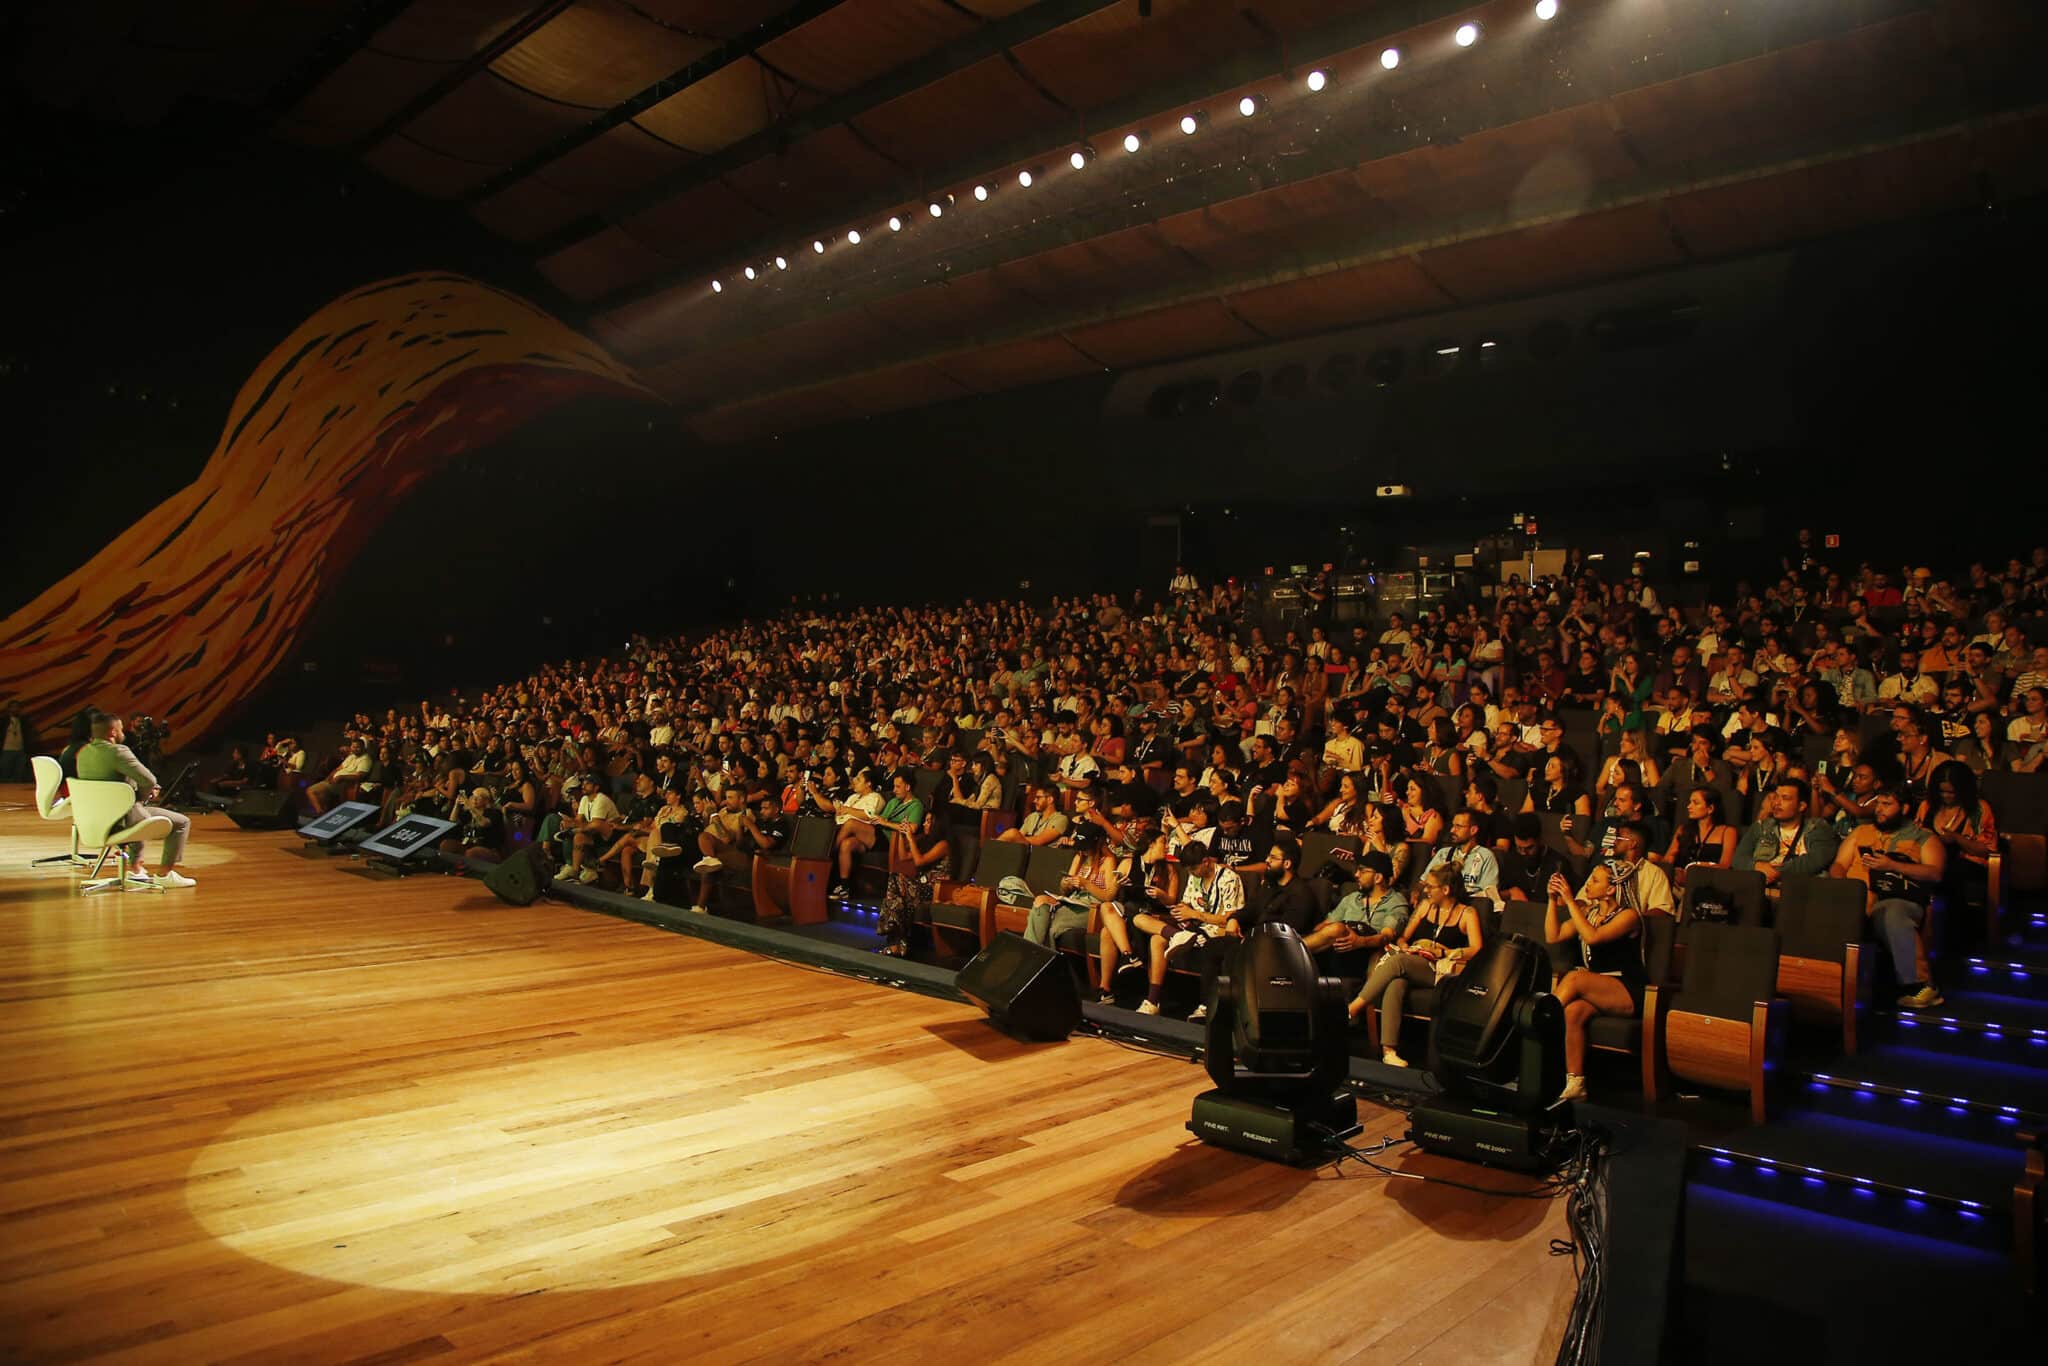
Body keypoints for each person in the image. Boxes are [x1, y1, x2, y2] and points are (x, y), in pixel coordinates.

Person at [1346, 865, 1483, 1068]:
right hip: (1416, 961)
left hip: (1443, 970)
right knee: (1397, 982)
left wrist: (1443, 951)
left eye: (1430, 886)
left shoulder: (1467, 914)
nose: (1425, 890)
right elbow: (1403, 938)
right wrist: (1408, 947)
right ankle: (1389, 1051)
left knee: (1399, 963)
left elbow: (1478, 949)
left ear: (1445, 890)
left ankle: (1352, 1008)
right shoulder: (1426, 906)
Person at [1830, 787, 1947, 1008]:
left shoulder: (1922, 837)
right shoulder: (1861, 832)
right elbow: (1839, 864)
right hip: (1853, 898)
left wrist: (1892, 865)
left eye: (1887, 804)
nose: (1879, 810)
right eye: (1878, 804)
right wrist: (1842, 887)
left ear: (1904, 808)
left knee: (1892, 912)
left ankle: (1920, 985)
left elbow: (1935, 872)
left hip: (1896, 899)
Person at [1545, 862, 1648, 1106]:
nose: (1588, 884)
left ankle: (1542, 1023)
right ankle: (1576, 1083)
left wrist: (1570, 901)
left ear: (1611, 889)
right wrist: (1551, 900)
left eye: (1595, 880)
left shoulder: (1629, 916)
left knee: (1575, 977)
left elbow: (1593, 937)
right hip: (1598, 989)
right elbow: (1553, 936)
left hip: (1628, 989)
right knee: (1573, 1012)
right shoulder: (1590, 913)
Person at [74, 709, 194, 887]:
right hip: (121, 819)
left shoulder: (82, 754)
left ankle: (136, 869)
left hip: (94, 819)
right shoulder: (118, 752)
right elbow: (149, 780)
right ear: (113, 732)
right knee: (182, 822)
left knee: (133, 809)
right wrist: (141, 798)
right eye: (121, 729)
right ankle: (164, 875)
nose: (123, 733)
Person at [1733, 778, 1839, 886]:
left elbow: (1816, 859)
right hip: (1760, 887)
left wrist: (1777, 872)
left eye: (1785, 798)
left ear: (1801, 806)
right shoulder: (1761, 826)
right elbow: (1738, 859)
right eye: (1775, 797)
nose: (1776, 803)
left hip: (1799, 891)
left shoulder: (1817, 828)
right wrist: (1756, 866)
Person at [1657, 785, 1735, 884]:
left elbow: (1725, 866)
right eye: (1690, 802)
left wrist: (1696, 869)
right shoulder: (1683, 830)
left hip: (1711, 881)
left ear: (1710, 808)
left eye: (1696, 803)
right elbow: (1668, 859)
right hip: (1680, 882)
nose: (1689, 806)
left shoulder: (1728, 831)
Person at [1423, 810, 1501, 906]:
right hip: (1441, 904)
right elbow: (1423, 882)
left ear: (1473, 830)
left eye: (1458, 826)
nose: (1452, 830)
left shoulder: (1486, 856)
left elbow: (1490, 894)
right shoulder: (1444, 853)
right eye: (1453, 826)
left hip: (1470, 906)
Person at [1, 699, 37, 783]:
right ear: (8, 709)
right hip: (6, 750)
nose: (15, 709)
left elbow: (28, 735)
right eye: (13, 707)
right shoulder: (3, 721)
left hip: (20, 751)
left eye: (17, 707)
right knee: (5, 774)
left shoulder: (23, 721)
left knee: (19, 775)